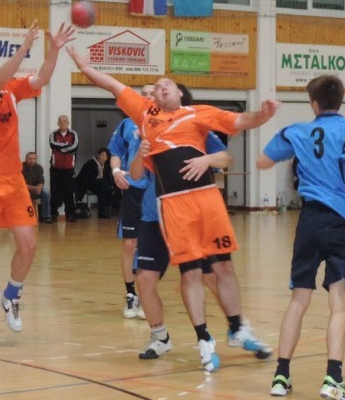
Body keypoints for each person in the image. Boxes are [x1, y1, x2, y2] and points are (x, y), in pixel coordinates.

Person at [69, 47, 278, 372]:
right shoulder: (142, 119)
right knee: (155, 277)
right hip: (163, 210)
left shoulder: (198, 116)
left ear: (180, 92)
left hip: (202, 203)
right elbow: (112, 87)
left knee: (215, 271)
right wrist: (84, 66)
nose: (158, 89)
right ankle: (169, 336)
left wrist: (262, 115)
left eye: (165, 84)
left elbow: (237, 128)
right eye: (154, 87)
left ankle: (238, 327)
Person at [256, 74, 345, 400]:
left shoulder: (296, 131)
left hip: (309, 220)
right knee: (338, 300)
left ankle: (281, 376)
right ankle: (333, 378)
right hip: (341, 222)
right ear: (340, 100)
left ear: (313, 104)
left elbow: (262, 161)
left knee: (299, 298)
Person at [0, 21, 75, 350]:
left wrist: (53, 50)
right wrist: (24, 48)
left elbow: (42, 78)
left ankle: (10, 295)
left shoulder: (11, 89)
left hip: (13, 180)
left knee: (29, 245)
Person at [131, 129, 271, 363]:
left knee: (210, 276)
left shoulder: (196, 128)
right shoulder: (146, 134)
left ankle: (238, 327)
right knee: (144, 278)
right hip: (154, 216)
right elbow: (136, 175)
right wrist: (139, 154)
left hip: (192, 215)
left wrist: (206, 160)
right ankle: (160, 337)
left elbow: (225, 158)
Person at [107, 89, 154, 320]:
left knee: (150, 245)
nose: (148, 96)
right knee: (129, 244)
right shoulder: (127, 124)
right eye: (144, 93)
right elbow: (115, 152)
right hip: (133, 190)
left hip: (156, 191)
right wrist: (116, 171)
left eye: (152, 93)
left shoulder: (168, 123)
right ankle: (130, 294)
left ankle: (147, 295)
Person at [49, 114, 79, 222]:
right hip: (55, 168)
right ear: (58, 123)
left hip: (69, 169)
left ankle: (70, 214)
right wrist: (67, 146)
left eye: (65, 121)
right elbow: (53, 145)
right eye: (61, 121)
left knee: (69, 192)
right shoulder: (53, 134)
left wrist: (61, 148)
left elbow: (75, 147)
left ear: (68, 123)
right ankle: (53, 214)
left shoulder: (73, 134)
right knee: (55, 192)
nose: (63, 123)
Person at [74, 147, 113, 218]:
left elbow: (108, 179)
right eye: (102, 155)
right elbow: (84, 177)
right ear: (98, 155)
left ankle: (103, 212)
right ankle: (103, 212)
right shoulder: (91, 163)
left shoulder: (106, 167)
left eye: (106, 156)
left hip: (100, 186)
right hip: (88, 183)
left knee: (104, 188)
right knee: (103, 184)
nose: (104, 158)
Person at [22, 151, 51, 223]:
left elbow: (41, 180)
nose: (32, 161)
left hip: (36, 189)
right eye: (30, 159)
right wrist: (34, 188)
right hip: (24, 189)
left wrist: (39, 187)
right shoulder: (21, 167)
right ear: (26, 159)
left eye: (34, 159)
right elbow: (20, 184)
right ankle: (25, 217)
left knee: (46, 193)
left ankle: (46, 216)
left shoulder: (39, 168)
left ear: (36, 159)